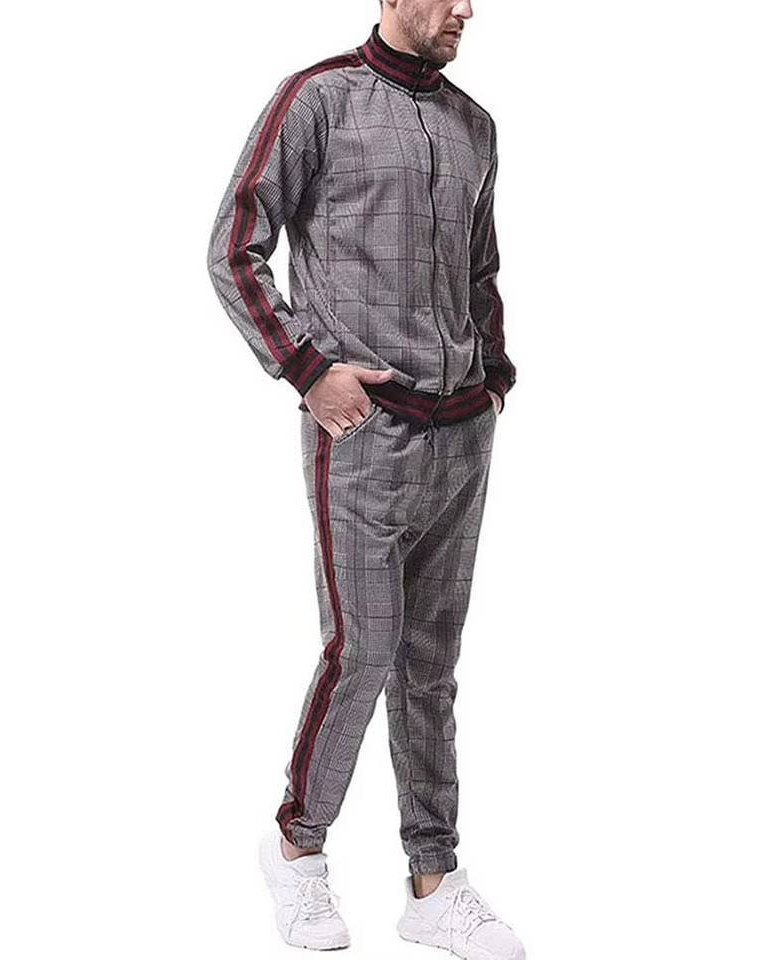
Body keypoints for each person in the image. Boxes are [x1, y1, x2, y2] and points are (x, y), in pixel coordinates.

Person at [208, 2, 524, 956]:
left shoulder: (474, 124)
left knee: (432, 665)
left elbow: (480, 269)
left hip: (462, 433)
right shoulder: (317, 99)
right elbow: (235, 248)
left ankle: (434, 880)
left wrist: (495, 378)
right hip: (364, 431)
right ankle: (297, 848)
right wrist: (309, 370)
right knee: (363, 651)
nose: (467, 7)